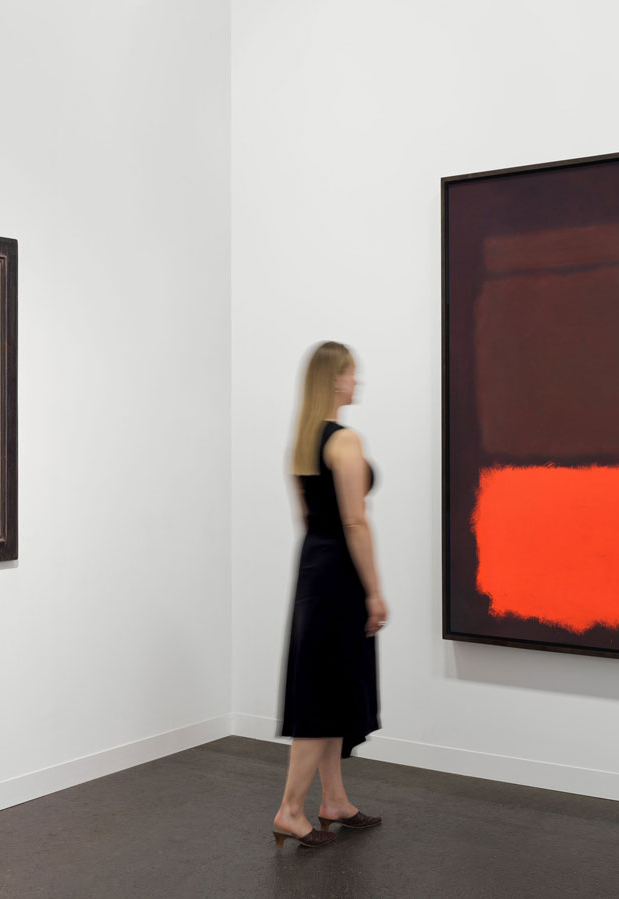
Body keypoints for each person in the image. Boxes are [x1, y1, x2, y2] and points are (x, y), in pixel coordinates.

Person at [272, 341, 388, 849]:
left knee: (330, 688)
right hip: (339, 576)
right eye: (351, 374)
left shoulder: (302, 443)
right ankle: (290, 810)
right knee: (323, 696)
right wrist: (374, 592)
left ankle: (334, 801)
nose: (356, 381)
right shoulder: (344, 441)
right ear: (333, 380)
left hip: (313, 569)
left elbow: (309, 519)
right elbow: (354, 521)